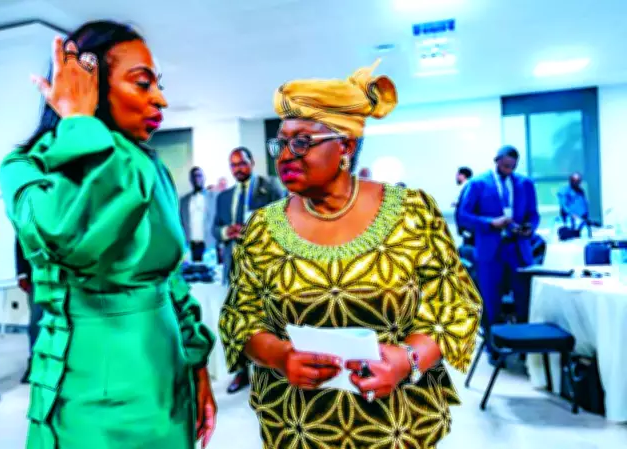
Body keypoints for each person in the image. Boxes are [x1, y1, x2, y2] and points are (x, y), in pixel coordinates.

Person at [219, 61, 481, 449]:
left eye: (301, 142)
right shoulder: (262, 227)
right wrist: (281, 357)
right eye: (280, 143)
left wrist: (406, 359)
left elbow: (454, 306)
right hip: (296, 423)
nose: (285, 156)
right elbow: (241, 317)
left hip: (396, 422)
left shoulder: (411, 212)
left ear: (346, 145)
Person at [0, 21, 216, 449]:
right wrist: (79, 123)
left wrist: (197, 363)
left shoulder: (149, 167)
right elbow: (73, 237)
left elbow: (169, 278)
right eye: (143, 83)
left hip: (168, 381)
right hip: (92, 395)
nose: (160, 98)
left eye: (158, 84)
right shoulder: (26, 167)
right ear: (89, 84)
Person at [212, 146, 284, 394]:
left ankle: (272, 371)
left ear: (252, 162)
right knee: (238, 320)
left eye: (242, 163)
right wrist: (227, 231)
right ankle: (241, 371)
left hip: (265, 265)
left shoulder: (270, 187)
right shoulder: (223, 197)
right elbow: (215, 230)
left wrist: (254, 231)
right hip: (235, 267)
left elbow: (284, 221)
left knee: (269, 319)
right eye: (233, 165)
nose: (238, 169)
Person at [458, 146, 538, 328]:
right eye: (505, 166)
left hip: (518, 249)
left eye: (513, 166)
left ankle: (524, 341)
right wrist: (490, 223)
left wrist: (530, 228)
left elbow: (534, 215)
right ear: (496, 160)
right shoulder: (477, 184)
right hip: (490, 250)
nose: (509, 170)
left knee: (524, 299)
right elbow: (463, 216)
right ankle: (493, 341)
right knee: (490, 302)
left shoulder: (525, 184)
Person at [16, 238, 42, 384]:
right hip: (36, 275)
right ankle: (34, 364)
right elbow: (20, 238)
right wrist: (21, 272)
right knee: (35, 324)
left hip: (62, 272)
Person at [179, 166, 217, 262]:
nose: (196, 179)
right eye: (194, 176)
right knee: (190, 271)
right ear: (190, 180)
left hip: (209, 246)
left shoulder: (214, 198)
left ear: (204, 177)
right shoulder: (183, 200)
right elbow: (181, 223)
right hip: (189, 246)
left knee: (210, 271)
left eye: (199, 175)